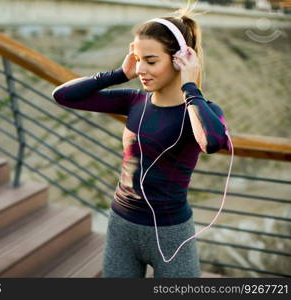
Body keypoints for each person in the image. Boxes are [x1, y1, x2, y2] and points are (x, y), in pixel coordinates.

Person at [51, 7, 231, 278]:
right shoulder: (134, 101)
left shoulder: (201, 110)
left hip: (171, 235)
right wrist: (120, 74)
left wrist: (190, 86)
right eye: (138, 59)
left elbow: (213, 141)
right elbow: (64, 96)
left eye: (150, 60)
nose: (141, 69)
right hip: (121, 226)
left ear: (180, 60)